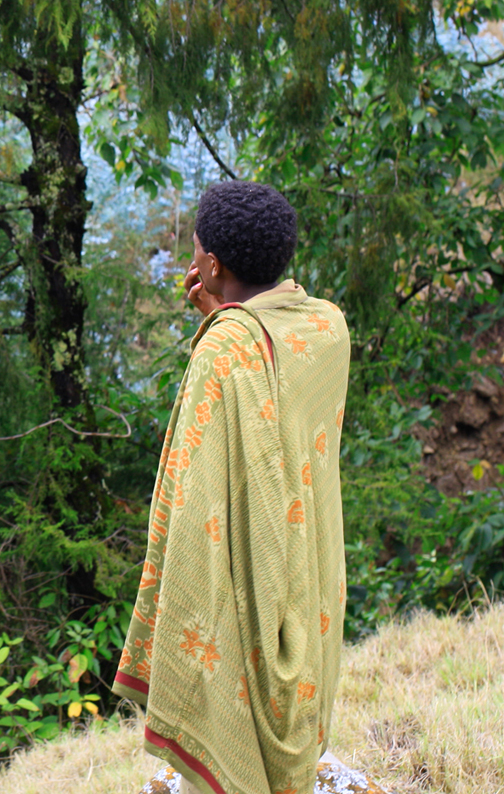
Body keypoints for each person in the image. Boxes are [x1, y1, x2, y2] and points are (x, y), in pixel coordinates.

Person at [116, 181, 351, 794]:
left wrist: (222, 329)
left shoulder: (226, 350)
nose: (191, 259)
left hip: (257, 568)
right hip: (307, 573)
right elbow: (274, 405)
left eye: (196, 249)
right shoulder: (328, 326)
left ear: (213, 265)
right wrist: (224, 320)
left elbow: (199, 492)